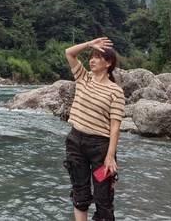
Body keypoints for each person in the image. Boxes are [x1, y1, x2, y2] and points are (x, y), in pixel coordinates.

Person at [63, 37, 125, 221]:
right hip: (75, 144)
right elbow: (69, 52)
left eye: (98, 57)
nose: (92, 59)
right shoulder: (83, 77)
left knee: (103, 198)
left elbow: (115, 126)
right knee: (80, 194)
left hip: (101, 149)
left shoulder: (116, 92)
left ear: (108, 63)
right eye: (92, 56)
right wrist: (90, 44)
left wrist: (110, 156)